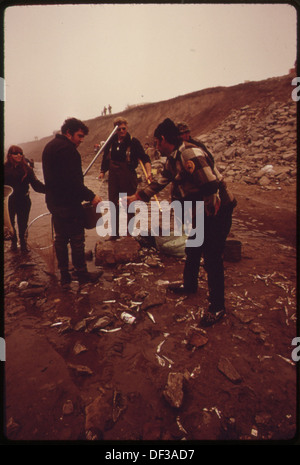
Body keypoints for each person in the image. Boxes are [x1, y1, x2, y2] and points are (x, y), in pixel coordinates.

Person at [126, 118, 236, 327]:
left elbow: (211, 185)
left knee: (212, 257)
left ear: (164, 139)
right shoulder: (172, 159)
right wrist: (139, 196)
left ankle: (217, 307)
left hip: (217, 208)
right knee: (193, 247)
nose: (156, 147)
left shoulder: (189, 154)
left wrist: (209, 215)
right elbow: (162, 180)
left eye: (157, 143)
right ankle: (189, 285)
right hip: (202, 210)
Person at [42, 118, 102, 286]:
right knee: (77, 239)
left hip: (54, 202)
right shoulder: (69, 150)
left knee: (61, 239)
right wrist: (92, 196)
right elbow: (74, 182)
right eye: (79, 136)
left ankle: (64, 275)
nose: (81, 140)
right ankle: (82, 275)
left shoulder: (49, 147)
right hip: (69, 204)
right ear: (68, 133)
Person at [99, 117, 152, 238]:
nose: (122, 131)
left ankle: (129, 233)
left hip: (128, 176)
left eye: (124, 128)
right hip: (113, 177)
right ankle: (114, 233)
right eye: (119, 129)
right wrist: (102, 171)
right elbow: (105, 158)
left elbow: (145, 159)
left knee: (128, 203)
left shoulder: (133, 142)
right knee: (113, 203)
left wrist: (148, 172)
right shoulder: (111, 141)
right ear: (115, 129)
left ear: (126, 127)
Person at [4, 145, 45, 253]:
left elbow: (36, 185)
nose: (19, 155)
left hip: (24, 200)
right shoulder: (4, 168)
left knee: (23, 224)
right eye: (16, 153)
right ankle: (13, 243)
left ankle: (23, 244)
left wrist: (49, 190)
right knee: (10, 224)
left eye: (20, 153)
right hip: (9, 202)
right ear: (9, 155)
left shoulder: (27, 169)